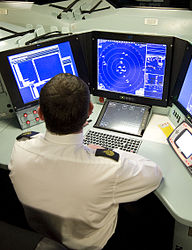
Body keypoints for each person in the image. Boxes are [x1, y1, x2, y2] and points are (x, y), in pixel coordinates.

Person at [9, 73, 165, 250]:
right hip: (94, 245)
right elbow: (155, 174)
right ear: (90, 110)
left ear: (40, 114)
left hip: (40, 234)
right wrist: (102, 151)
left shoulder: (21, 146)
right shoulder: (109, 168)